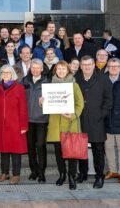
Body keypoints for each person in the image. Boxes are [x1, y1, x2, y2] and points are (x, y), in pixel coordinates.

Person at [75, 55, 113, 189]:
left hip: (97, 121)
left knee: (98, 150)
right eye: (84, 65)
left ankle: (99, 176)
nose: (86, 67)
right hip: (80, 120)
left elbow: (109, 100)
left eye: (89, 64)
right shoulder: (76, 79)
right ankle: (83, 173)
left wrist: (101, 115)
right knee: (81, 149)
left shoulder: (103, 79)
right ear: (80, 66)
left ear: (94, 65)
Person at [46, 60, 84, 190]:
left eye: (63, 69)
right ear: (55, 70)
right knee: (58, 153)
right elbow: (47, 104)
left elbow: (80, 104)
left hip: (70, 123)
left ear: (68, 70)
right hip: (56, 124)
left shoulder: (74, 85)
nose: (61, 71)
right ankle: (62, 174)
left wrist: (73, 115)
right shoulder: (50, 85)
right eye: (58, 69)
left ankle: (72, 176)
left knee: (72, 154)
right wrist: (42, 102)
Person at [0, 65, 28, 185]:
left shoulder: (19, 88)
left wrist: (23, 126)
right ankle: (4, 173)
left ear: (12, 74)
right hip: (1, 124)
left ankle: (16, 175)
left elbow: (23, 108)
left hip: (15, 124)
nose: (5, 74)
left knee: (16, 151)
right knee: (3, 150)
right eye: (3, 72)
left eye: (8, 72)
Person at [21, 59, 49, 182]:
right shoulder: (24, 81)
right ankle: (34, 171)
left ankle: (42, 172)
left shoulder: (48, 82)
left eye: (38, 68)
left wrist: (46, 101)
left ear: (42, 69)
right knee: (30, 146)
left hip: (42, 119)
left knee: (41, 146)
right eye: (33, 68)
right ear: (30, 69)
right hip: (28, 119)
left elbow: (53, 101)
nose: (35, 70)